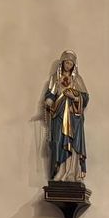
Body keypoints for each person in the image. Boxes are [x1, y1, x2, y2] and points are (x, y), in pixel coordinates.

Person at [45, 50, 89, 182]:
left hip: (73, 116)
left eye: (71, 63)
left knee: (73, 143)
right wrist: (49, 100)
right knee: (59, 142)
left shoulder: (77, 79)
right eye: (66, 62)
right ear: (62, 62)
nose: (68, 65)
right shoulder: (55, 78)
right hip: (58, 115)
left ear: (74, 65)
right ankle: (60, 171)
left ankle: (72, 172)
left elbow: (85, 98)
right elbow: (50, 94)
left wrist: (75, 97)